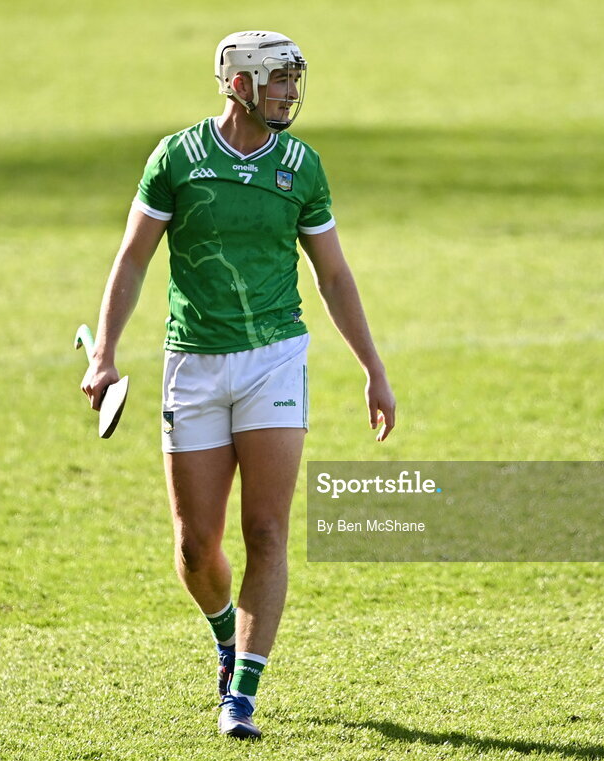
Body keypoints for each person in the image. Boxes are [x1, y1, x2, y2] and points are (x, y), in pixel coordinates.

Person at [79, 30, 396, 739]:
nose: (290, 91)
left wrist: (373, 369)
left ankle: (242, 693)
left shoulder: (302, 167)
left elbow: (335, 275)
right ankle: (226, 634)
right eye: (278, 79)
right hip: (192, 361)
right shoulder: (178, 160)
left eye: (294, 79)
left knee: (268, 528)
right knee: (196, 548)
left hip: (274, 359)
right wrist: (104, 353)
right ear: (238, 85)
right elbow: (132, 259)